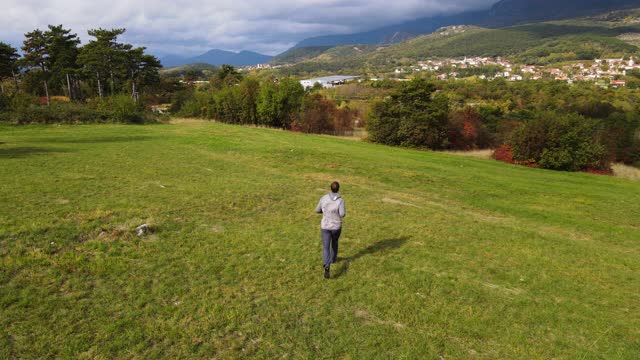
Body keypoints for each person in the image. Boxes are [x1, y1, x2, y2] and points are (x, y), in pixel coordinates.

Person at [315, 181, 346, 279]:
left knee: (325, 247)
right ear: (338, 189)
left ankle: (327, 266)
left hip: (325, 226)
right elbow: (342, 214)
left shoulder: (324, 198)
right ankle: (333, 259)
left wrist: (324, 211)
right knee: (335, 242)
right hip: (336, 227)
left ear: (330, 188)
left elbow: (317, 210)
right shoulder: (340, 201)